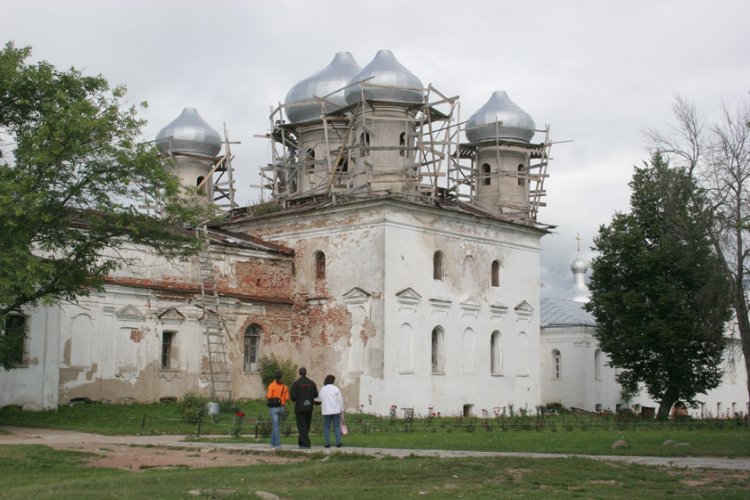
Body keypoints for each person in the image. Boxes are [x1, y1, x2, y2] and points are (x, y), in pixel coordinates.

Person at [290, 367, 318, 449]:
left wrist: (299, 395)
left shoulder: (296, 384)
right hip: (309, 407)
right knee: (306, 425)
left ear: (299, 373)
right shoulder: (312, 383)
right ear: (306, 373)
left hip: (299, 408)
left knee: (301, 426)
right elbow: (316, 395)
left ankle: (306, 443)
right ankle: (301, 442)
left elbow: (293, 397)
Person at [318, 374, 344, 448]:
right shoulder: (336, 389)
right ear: (332, 381)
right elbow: (340, 400)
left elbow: (320, 399)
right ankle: (338, 442)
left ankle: (327, 443)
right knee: (336, 427)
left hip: (326, 411)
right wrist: (341, 409)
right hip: (336, 411)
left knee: (326, 427)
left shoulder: (323, 389)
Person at [266, 371, 289, 449]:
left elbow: (269, 396)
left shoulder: (271, 385)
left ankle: (277, 445)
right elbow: (287, 398)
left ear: (274, 377)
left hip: (274, 408)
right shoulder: (284, 386)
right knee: (276, 426)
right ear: (281, 377)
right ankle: (272, 444)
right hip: (281, 407)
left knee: (275, 426)